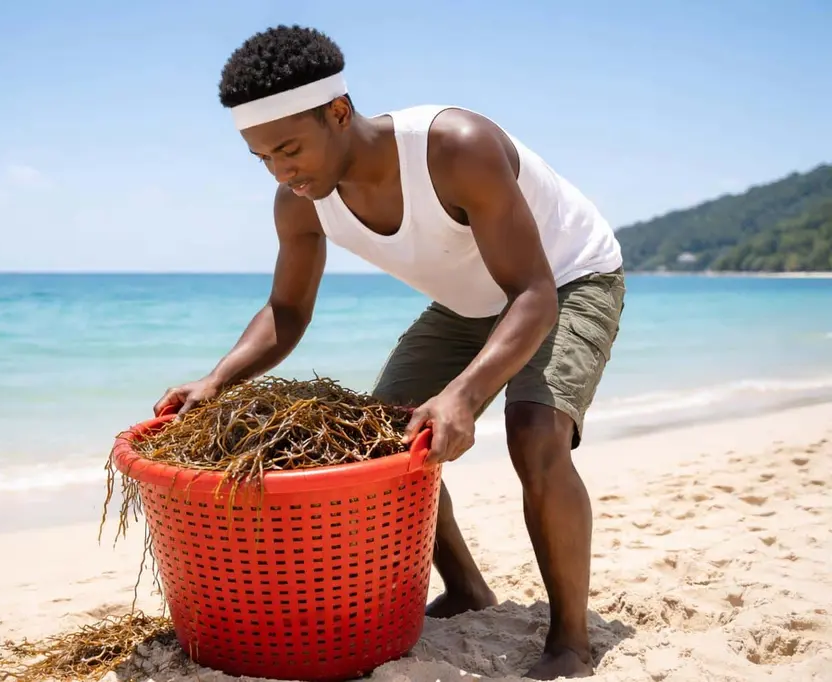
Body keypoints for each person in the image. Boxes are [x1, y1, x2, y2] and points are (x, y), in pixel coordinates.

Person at [153, 24, 625, 680]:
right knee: (382, 443)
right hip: (470, 301)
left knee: (532, 433)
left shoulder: (456, 148)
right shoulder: (300, 204)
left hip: (565, 279)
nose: (283, 172)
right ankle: (466, 589)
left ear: (338, 112)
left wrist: (464, 393)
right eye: (264, 159)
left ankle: (571, 640)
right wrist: (217, 378)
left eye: (290, 149)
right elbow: (287, 313)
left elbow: (535, 297)